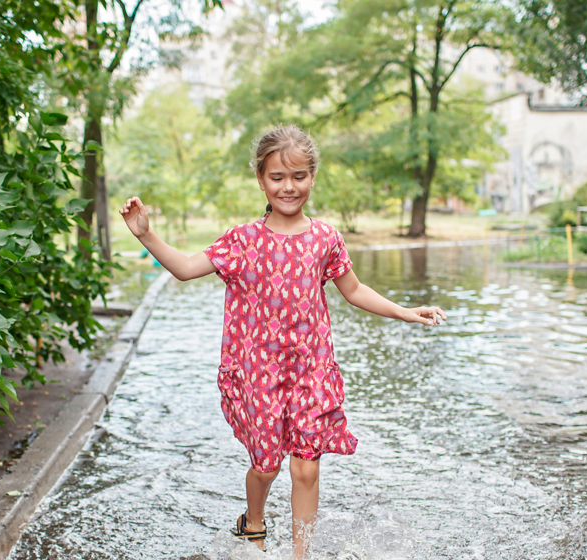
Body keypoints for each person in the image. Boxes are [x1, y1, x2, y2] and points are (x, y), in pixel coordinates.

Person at [119, 125, 446, 558]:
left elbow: (354, 290)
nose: (288, 187)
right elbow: (183, 267)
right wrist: (145, 234)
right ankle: (253, 522)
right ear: (261, 179)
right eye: (277, 177)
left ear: (312, 177)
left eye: (298, 176)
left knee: (307, 468)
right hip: (260, 375)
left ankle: (300, 555)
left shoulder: (326, 238)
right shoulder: (243, 241)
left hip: (311, 370)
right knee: (266, 465)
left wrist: (406, 311)